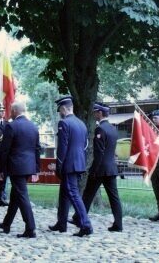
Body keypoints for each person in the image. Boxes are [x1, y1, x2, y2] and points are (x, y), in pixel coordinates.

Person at [72, 102, 122, 232]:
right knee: (114, 197)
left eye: (95, 112)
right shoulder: (112, 128)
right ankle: (118, 224)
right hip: (111, 168)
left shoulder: (101, 129)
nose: (94, 114)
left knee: (88, 194)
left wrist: (93, 170)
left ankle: (79, 218)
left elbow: (99, 153)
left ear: (100, 113)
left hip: (100, 169)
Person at [48, 95, 93, 237]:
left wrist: (59, 165)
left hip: (68, 164)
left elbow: (63, 148)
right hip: (78, 162)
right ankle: (61, 223)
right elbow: (85, 146)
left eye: (60, 110)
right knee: (64, 194)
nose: (60, 113)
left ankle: (86, 225)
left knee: (73, 194)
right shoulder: (81, 123)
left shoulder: (64, 123)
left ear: (63, 108)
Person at [0, 101, 40, 238]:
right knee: (15, 196)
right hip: (29, 166)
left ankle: (30, 228)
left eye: (11, 110)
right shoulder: (33, 126)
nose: (10, 113)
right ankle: (6, 224)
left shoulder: (11, 126)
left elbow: (5, 150)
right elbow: (38, 149)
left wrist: (0, 169)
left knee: (22, 196)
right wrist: (37, 169)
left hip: (16, 166)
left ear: (15, 111)